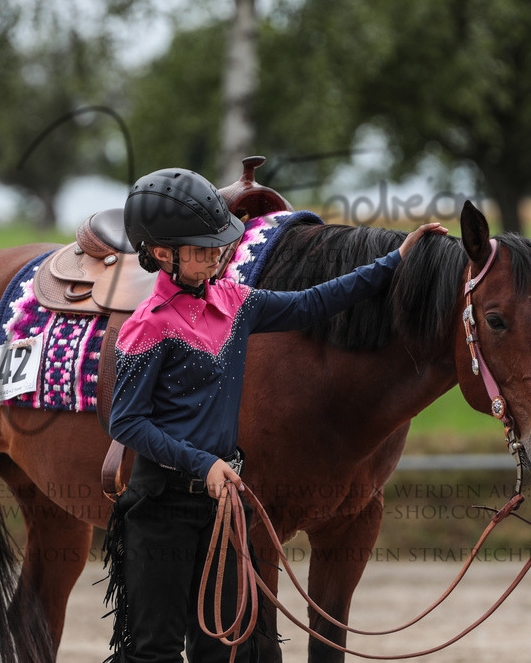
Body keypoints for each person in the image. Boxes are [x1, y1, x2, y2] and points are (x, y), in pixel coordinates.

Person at [103, 167, 447, 662]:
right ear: (162, 254)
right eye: (202, 249)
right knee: (153, 651)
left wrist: (394, 262)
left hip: (224, 508)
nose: (217, 256)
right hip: (162, 506)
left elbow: (314, 303)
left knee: (222, 646)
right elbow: (127, 424)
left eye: (219, 245)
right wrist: (205, 464)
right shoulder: (146, 328)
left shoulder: (235, 302)